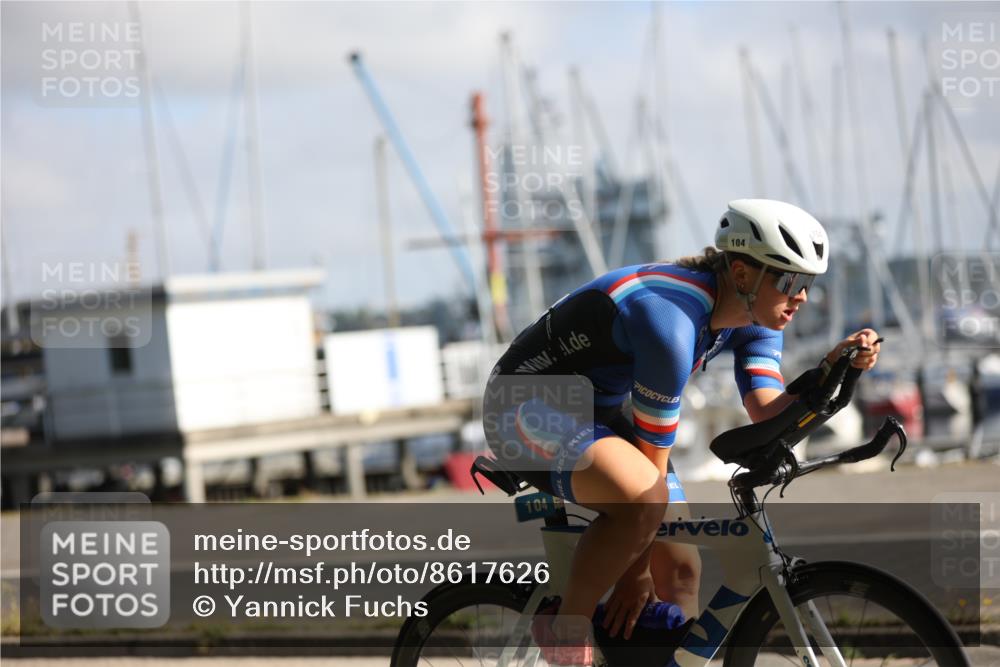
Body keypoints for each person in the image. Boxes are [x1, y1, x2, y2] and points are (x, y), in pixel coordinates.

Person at [483, 199, 882, 664]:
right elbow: (646, 489)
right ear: (742, 274)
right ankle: (565, 634)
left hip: (595, 412)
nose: (802, 297)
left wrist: (830, 369)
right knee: (644, 507)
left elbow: (768, 408)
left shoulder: (755, 319)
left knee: (680, 568)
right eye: (790, 280)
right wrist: (633, 575)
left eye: (808, 284)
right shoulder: (669, 322)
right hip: (521, 408)